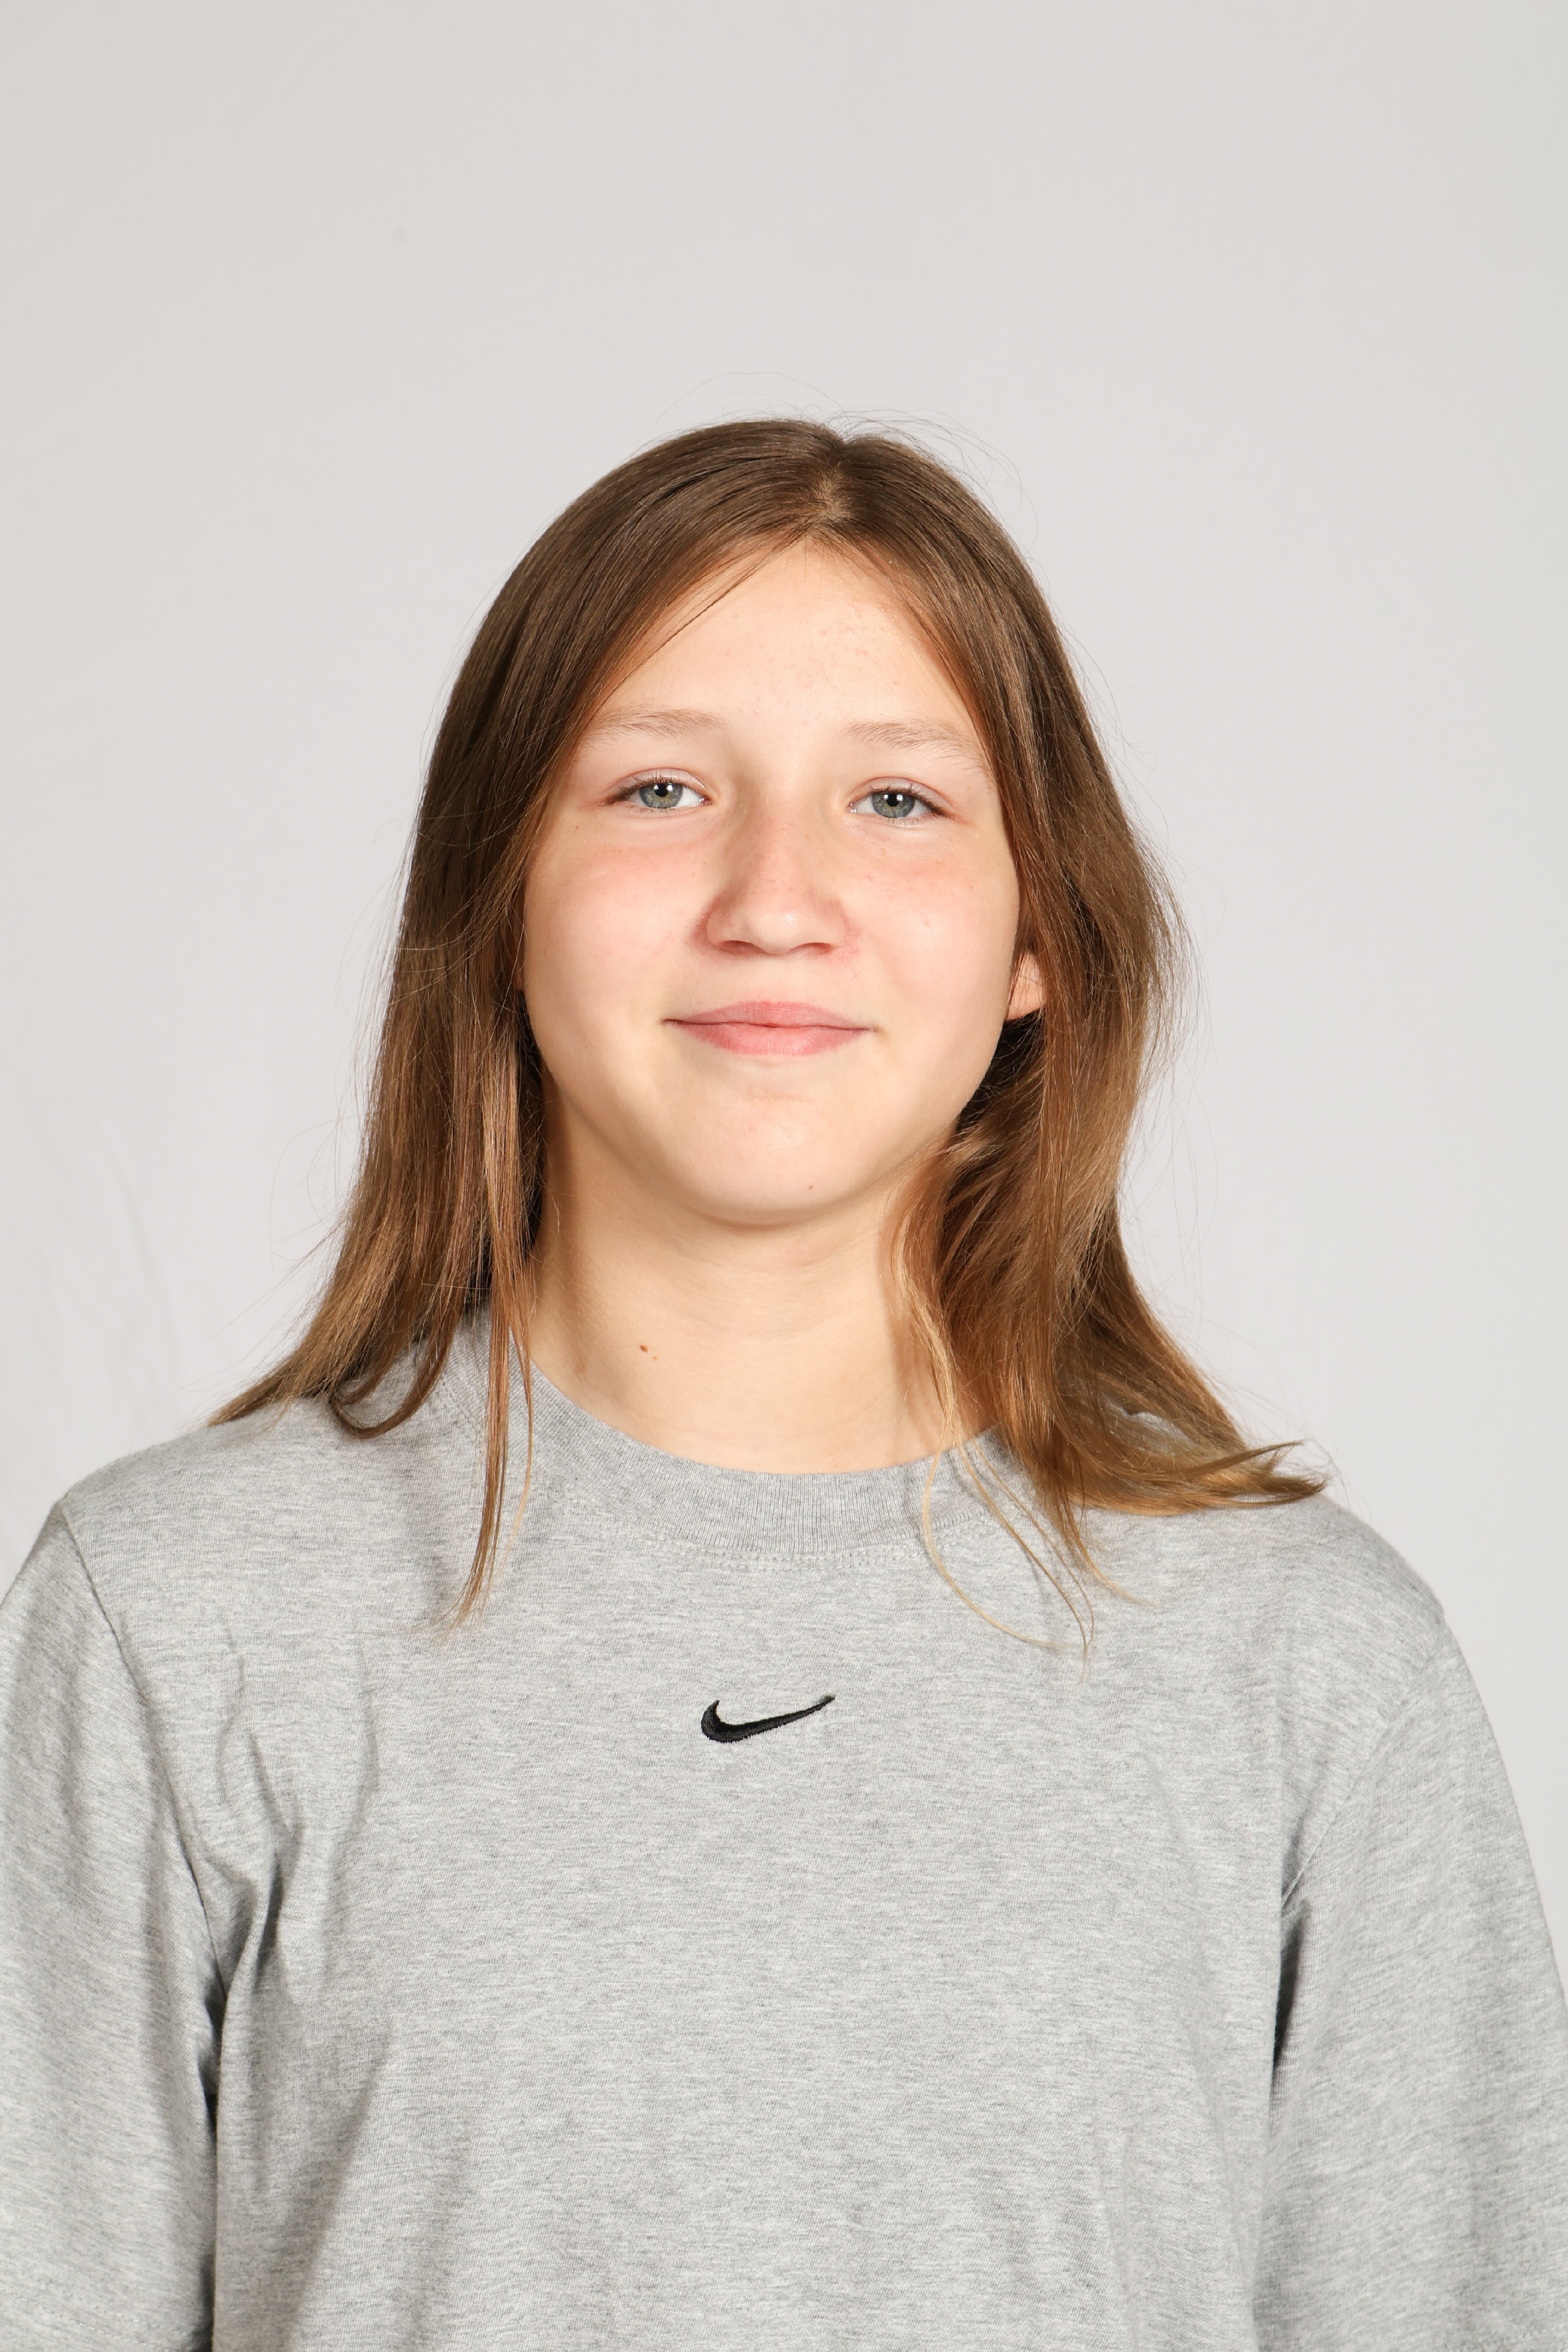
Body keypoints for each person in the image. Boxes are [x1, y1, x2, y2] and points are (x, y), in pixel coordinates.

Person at [2, 420, 1564, 2349]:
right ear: (501, 893)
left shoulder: (1311, 1666)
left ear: (1037, 936)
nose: (773, 896)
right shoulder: (176, 1620)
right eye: (659, 787)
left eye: (897, 800)